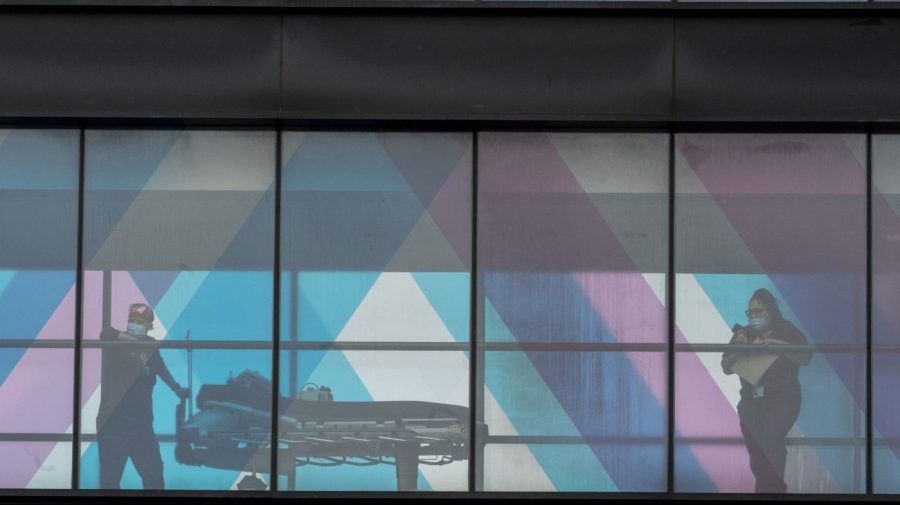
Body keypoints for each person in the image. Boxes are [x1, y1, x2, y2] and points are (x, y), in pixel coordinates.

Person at [721, 288, 812, 493]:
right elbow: (725, 367)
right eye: (750, 312)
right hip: (751, 401)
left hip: (783, 398)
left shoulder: (787, 330)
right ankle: (766, 490)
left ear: (771, 310)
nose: (754, 316)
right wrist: (740, 349)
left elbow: (805, 358)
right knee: (756, 449)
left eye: (759, 311)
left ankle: (773, 491)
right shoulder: (743, 333)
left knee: (771, 439)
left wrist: (779, 345)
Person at [96, 302, 189, 489]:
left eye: (140, 321)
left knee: (154, 473)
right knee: (110, 480)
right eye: (133, 320)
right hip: (113, 422)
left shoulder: (151, 348)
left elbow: (160, 368)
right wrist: (138, 342)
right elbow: (105, 333)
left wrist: (176, 388)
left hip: (142, 425)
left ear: (148, 326)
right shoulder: (115, 342)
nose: (135, 324)